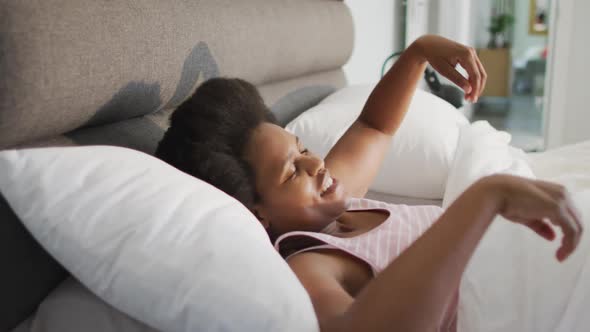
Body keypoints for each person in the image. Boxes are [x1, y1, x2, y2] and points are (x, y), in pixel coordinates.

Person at [155, 35, 583, 332]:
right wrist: (482, 199)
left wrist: (417, 54)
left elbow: (374, 126)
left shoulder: (337, 202)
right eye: (290, 171)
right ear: (256, 212)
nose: (314, 163)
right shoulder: (310, 264)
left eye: (302, 147)